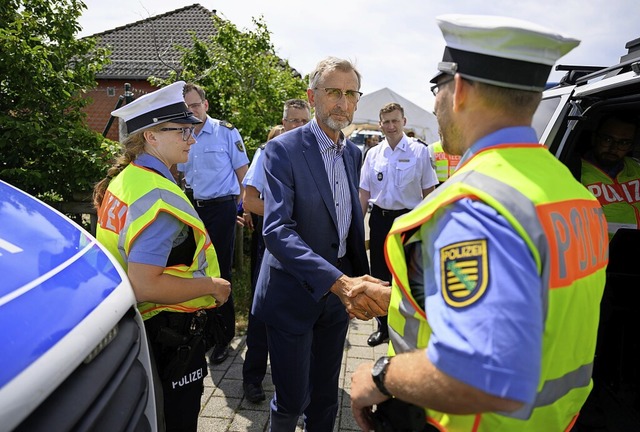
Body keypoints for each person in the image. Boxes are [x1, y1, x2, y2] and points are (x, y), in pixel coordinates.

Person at [350, 14, 609, 432]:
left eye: (437, 89)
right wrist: (403, 295)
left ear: (461, 91)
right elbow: (525, 299)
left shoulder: (473, 207)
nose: (434, 103)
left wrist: (379, 377)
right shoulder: (574, 194)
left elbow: (480, 372)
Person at [252, 56, 391, 431]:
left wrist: (359, 282)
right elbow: (277, 230)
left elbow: (344, 228)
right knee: (292, 399)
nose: (342, 102)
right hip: (293, 294)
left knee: (327, 396)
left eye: (350, 93)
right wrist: (341, 283)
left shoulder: (353, 153)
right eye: (333, 92)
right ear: (312, 96)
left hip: (335, 297)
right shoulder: (282, 149)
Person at [93, 80, 231, 432]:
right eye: (183, 131)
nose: (193, 139)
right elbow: (145, 284)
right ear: (151, 137)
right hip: (169, 332)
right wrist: (213, 286)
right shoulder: (156, 194)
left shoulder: (128, 177)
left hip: (140, 328)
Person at [241, 99, 312, 404]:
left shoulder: (318, 155)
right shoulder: (267, 152)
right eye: (291, 121)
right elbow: (249, 201)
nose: (296, 126)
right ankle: (253, 378)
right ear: (282, 124)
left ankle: (303, 379)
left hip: (309, 245)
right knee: (262, 314)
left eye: (301, 121)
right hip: (274, 244)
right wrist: (284, 215)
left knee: (307, 310)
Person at [178, 83, 249, 365]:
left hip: (221, 209)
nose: (191, 111)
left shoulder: (225, 132)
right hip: (193, 208)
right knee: (196, 270)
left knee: (219, 272)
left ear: (205, 105)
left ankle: (223, 337)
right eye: (186, 108)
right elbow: (180, 176)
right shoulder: (182, 134)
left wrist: (240, 208)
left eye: (195, 105)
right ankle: (205, 331)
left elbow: (243, 174)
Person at [359, 102, 438, 347]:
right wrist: (355, 229)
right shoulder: (373, 153)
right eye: (386, 122)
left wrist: (430, 228)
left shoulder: (419, 151)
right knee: (380, 276)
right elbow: (363, 193)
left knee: (407, 276)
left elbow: (429, 192)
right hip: (380, 221)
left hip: (409, 221)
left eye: (395, 121)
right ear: (380, 124)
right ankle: (383, 328)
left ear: (404, 122)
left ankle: (408, 330)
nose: (391, 126)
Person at [581, 112, 640, 238]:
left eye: (623, 143)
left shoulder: (637, 167)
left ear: (631, 146)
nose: (613, 148)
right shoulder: (573, 173)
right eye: (607, 140)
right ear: (594, 138)